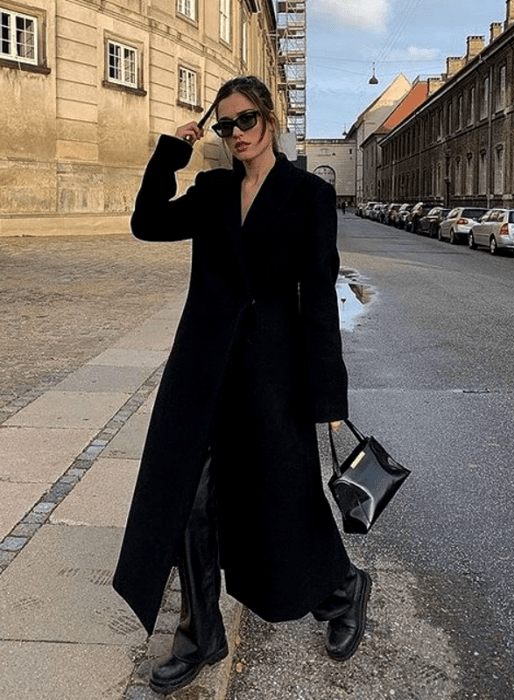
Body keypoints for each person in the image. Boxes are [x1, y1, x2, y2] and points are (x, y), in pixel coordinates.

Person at [112, 76, 371, 695]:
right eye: (225, 125)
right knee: (191, 500)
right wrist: (170, 153)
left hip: (272, 373)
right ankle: (200, 635)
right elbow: (147, 224)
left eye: (246, 120)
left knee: (282, 497)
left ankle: (342, 588)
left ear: (271, 118)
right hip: (202, 368)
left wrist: (328, 395)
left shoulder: (307, 196)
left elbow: (318, 297)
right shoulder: (212, 189)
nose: (237, 134)